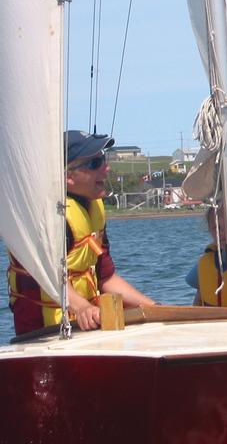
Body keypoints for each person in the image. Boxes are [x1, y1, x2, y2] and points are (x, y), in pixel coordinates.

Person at [7, 130, 156, 335]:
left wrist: (155, 308)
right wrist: (82, 307)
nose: (106, 168)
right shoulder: (50, 219)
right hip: (44, 334)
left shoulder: (93, 210)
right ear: (68, 176)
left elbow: (107, 278)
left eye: (103, 159)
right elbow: (47, 276)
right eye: (95, 164)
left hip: (85, 324)